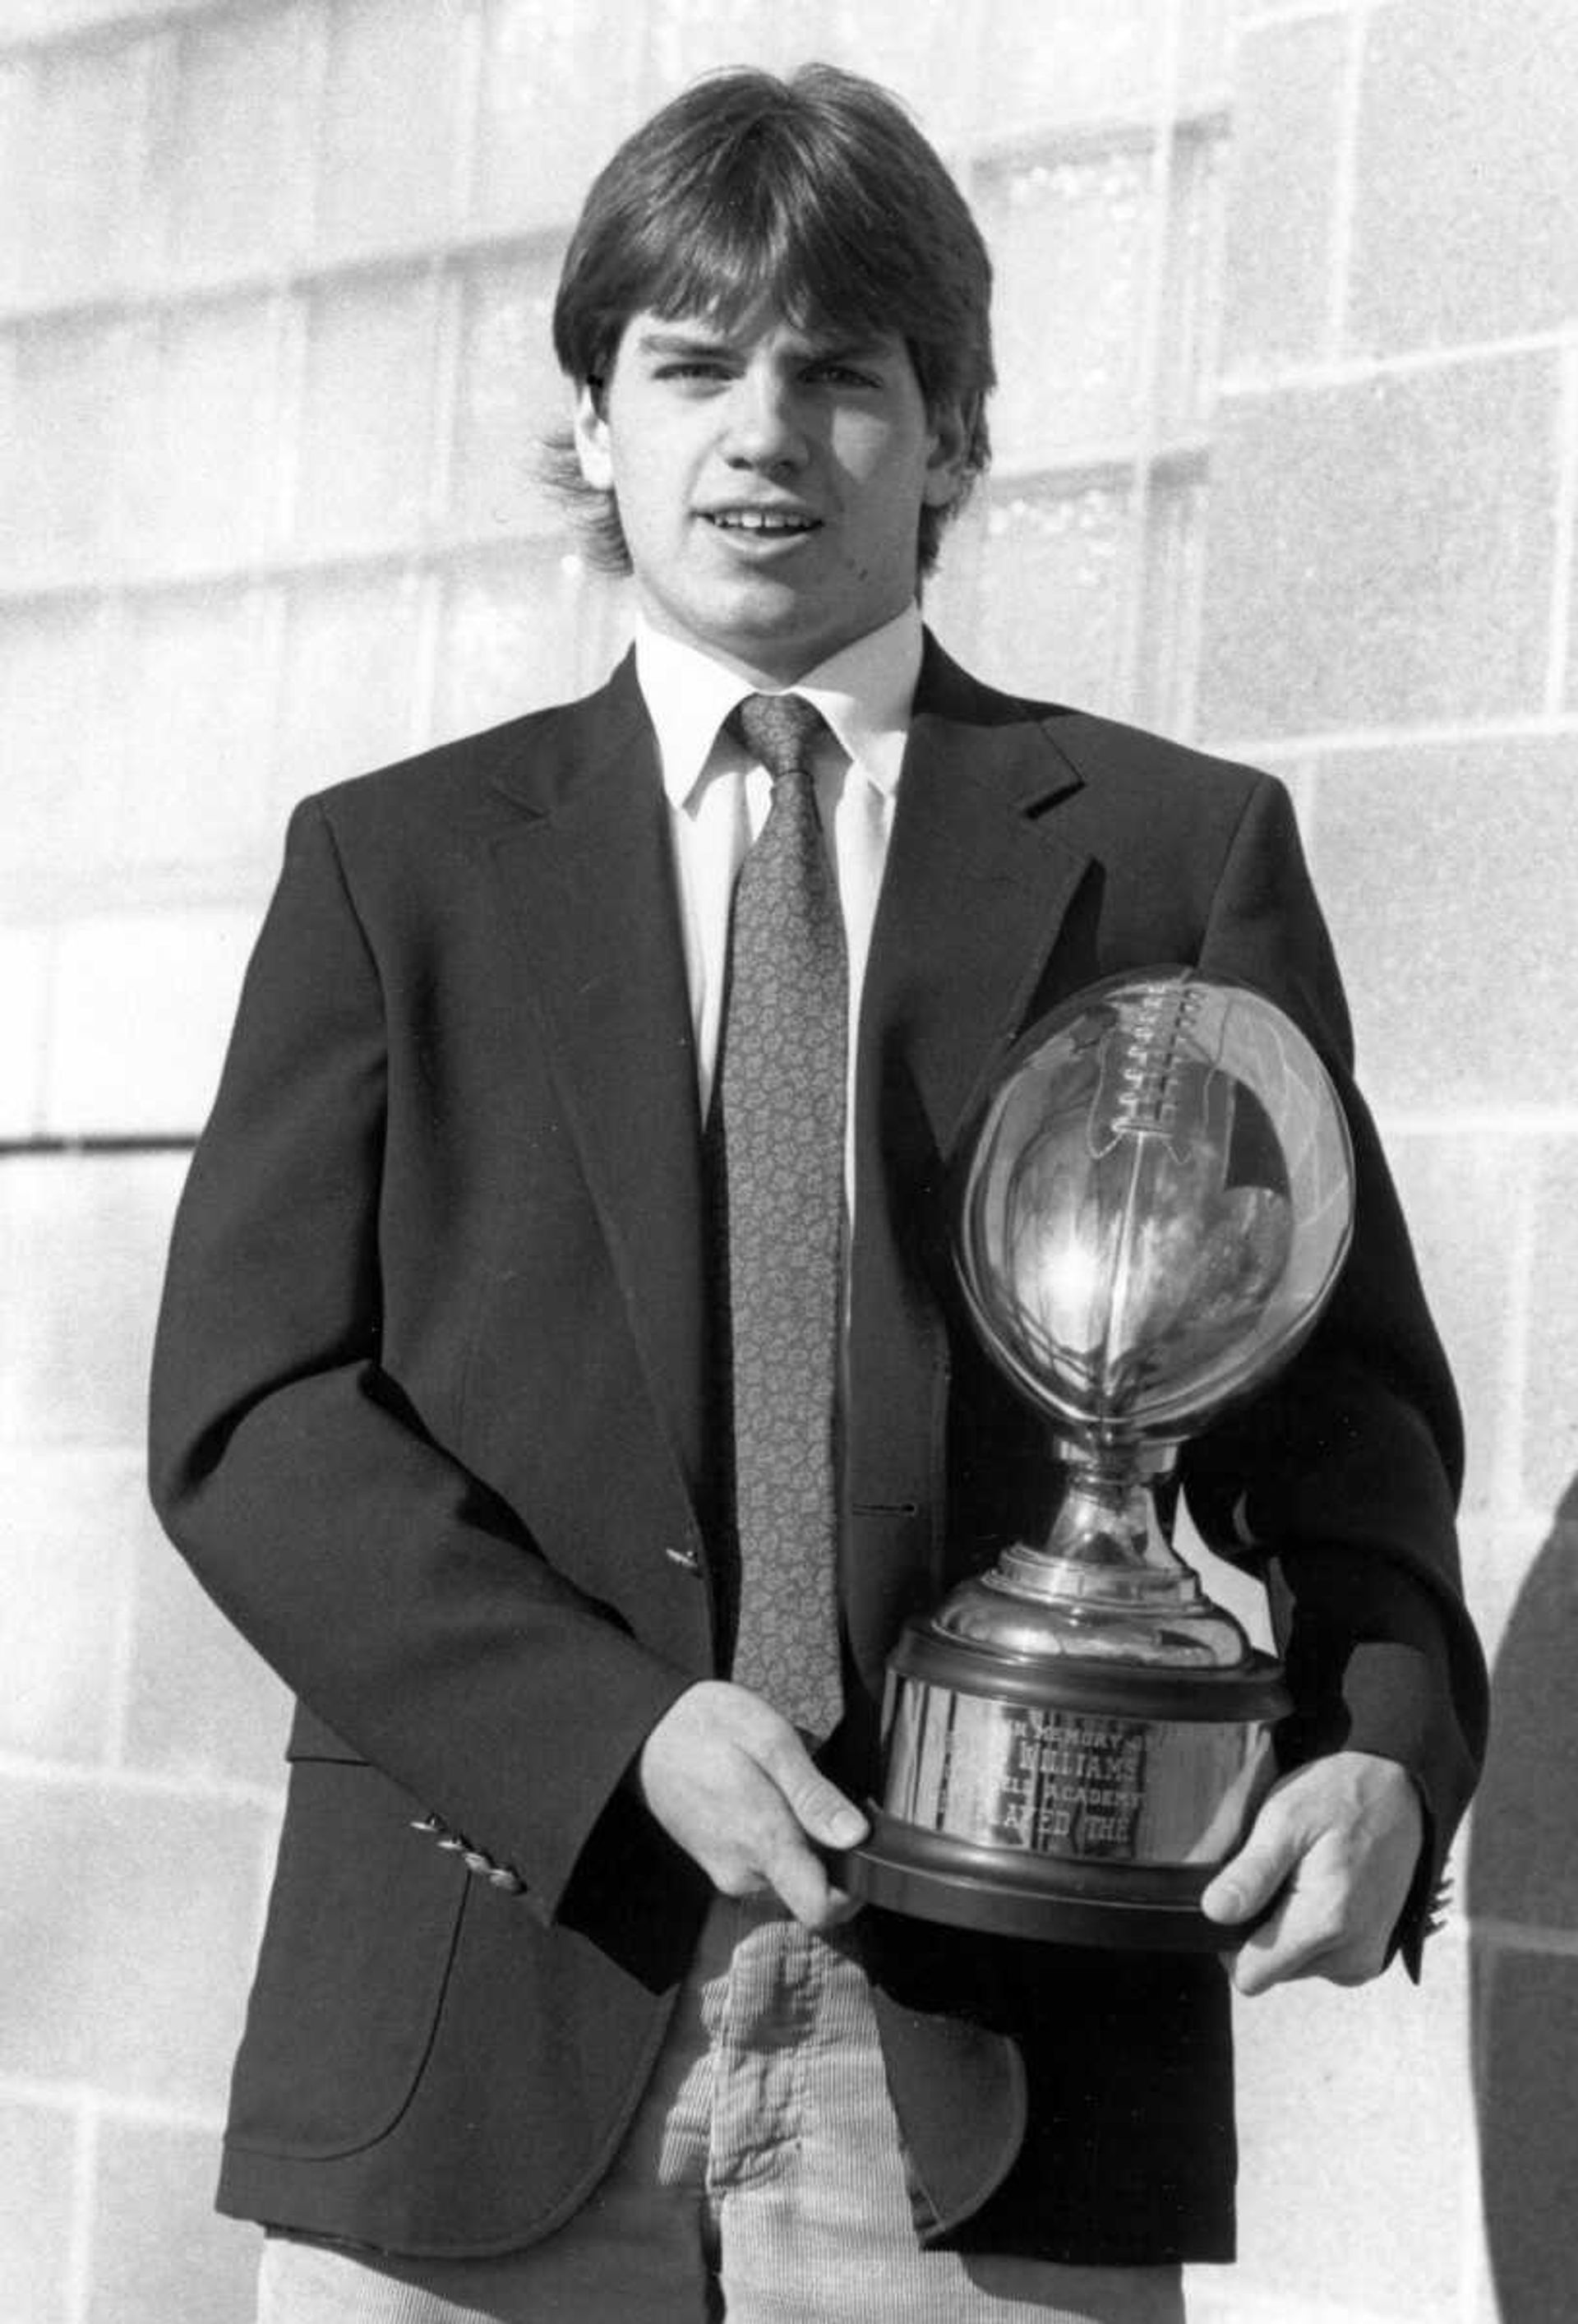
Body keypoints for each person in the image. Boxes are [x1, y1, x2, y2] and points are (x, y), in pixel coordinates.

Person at [148, 62, 1487, 2324]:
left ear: (952, 433)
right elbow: (250, 1413)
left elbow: (1337, 1403)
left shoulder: (1177, 857)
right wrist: (613, 1731)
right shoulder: (396, 873)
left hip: (994, 2054)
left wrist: (1384, 1747)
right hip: (484, 2014)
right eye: (688, 365)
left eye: (840, 375)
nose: (761, 431)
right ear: (596, 421)